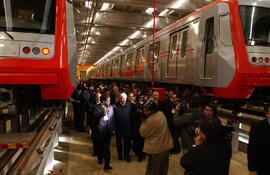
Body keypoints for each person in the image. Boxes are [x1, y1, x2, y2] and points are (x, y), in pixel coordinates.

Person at [140, 99, 173, 175]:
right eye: (144, 110)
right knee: (163, 169)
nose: (144, 113)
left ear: (153, 110)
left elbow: (142, 133)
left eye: (146, 111)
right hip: (165, 146)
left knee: (153, 170)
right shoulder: (161, 114)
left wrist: (143, 121)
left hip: (156, 149)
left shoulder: (150, 120)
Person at [92, 94, 115, 170]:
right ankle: (100, 158)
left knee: (107, 148)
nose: (109, 102)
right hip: (100, 132)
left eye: (110, 100)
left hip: (108, 132)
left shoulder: (111, 107)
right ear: (103, 101)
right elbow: (94, 116)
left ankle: (107, 164)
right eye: (108, 101)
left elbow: (113, 119)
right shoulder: (96, 107)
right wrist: (103, 112)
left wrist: (113, 128)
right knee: (99, 148)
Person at [248, 105, 270, 175]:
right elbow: (252, 149)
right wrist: (252, 169)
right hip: (263, 168)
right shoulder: (257, 127)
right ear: (267, 114)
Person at [113, 93, 132, 162]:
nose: (123, 100)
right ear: (119, 98)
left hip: (127, 128)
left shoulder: (129, 105)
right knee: (118, 143)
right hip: (118, 128)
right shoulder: (115, 106)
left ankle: (127, 156)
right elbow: (113, 118)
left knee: (126, 143)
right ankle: (120, 155)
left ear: (126, 99)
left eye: (124, 98)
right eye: (121, 98)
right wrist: (114, 128)